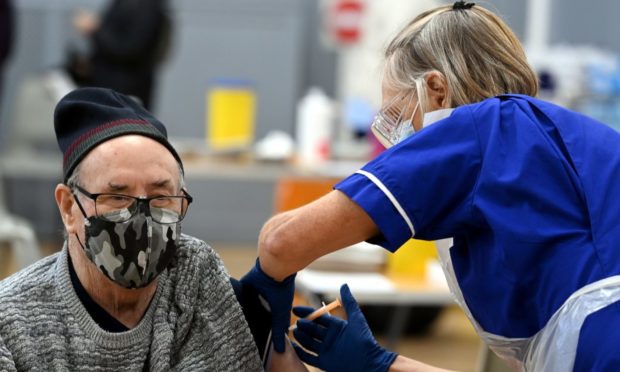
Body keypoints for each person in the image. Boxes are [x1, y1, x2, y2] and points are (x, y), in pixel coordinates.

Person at [241, 1, 620, 371]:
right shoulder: (564, 142)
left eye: (396, 119)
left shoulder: (482, 128)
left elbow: (281, 241)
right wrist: (384, 363)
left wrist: (262, 295)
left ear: (437, 90)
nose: (399, 143)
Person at [0, 87, 305, 371]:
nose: (141, 217)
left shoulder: (199, 280)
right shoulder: (13, 325)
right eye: (117, 196)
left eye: (161, 197)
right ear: (68, 207)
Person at [72, 0, 171, 109]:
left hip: (126, 90)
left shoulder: (147, 5)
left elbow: (130, 48)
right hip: (108, 86)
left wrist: (95, 29)